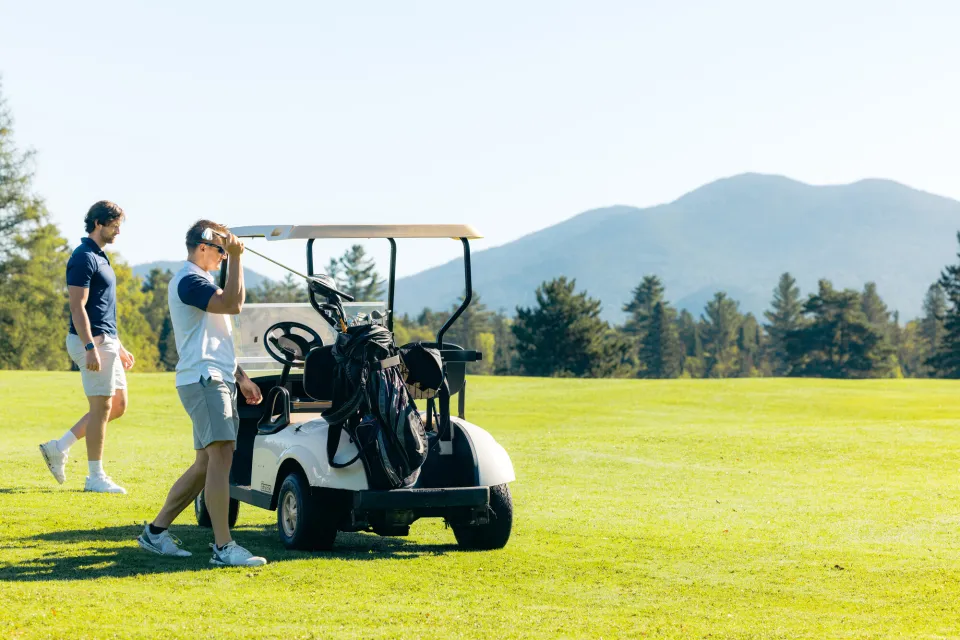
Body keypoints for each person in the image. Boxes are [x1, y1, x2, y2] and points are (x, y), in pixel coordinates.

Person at [137, 220, 267, 567]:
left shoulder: (202, 281)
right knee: (222, 457)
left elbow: (215, 340)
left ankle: (155, 532)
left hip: (217, 376)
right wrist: (238, 258)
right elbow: (233, 304)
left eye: (228, 252)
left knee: (204, 464)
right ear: (203, 246)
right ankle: (224, 547)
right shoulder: (189, 280)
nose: (225, 256)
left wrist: (240, 376)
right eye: (221, 250)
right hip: (204, 379)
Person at [39, 201, 135, 494]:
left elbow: (103, 308)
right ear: (98, 223)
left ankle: (59, 447)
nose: (118, 230)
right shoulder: (83, 257)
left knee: (117, 406)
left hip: (107, 341)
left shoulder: (101, 257)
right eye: (114, 224)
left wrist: (118, 345)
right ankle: (95, 476)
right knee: (101, 406)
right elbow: (77, 307)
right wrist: (90, 345)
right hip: (90, 342)